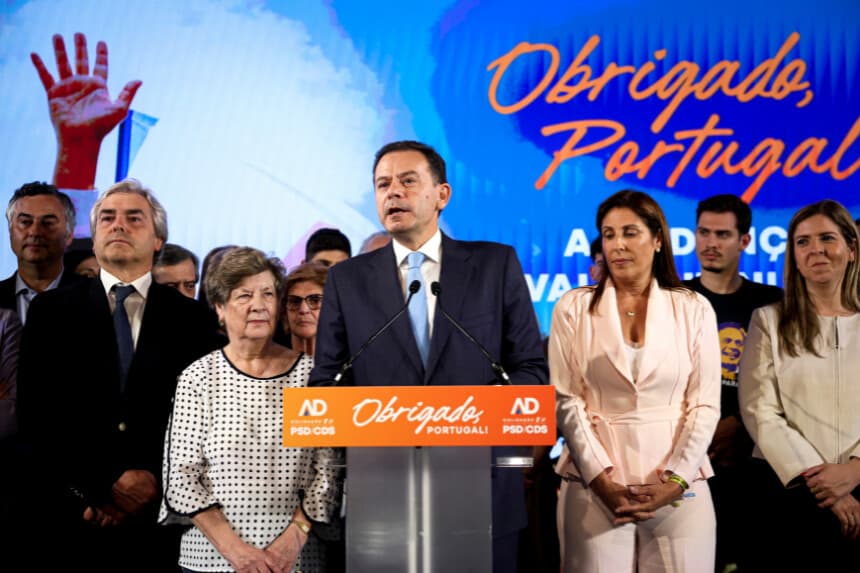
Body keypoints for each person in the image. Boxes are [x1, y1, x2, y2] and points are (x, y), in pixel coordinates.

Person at [311, 140, 547, 573]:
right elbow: (326, 383)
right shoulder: (347, 280)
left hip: (480, 483)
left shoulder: (494, 265)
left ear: (442, 195)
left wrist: (479, 424)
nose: (392, 192)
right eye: (383, 184)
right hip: (384, 492)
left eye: (407, 181)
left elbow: (530, 369)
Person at [16, 178, 219, 572]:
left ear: (159, 239)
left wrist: (152, 486)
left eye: (134, 218)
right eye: (107, 217)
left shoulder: (193, 320)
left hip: (160, 525)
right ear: (93, 239)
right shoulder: (50, 312)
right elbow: (37, 419)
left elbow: (202, 424)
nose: (118, 225)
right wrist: (99, 487)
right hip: (72, 519)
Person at [549, 189, 721, 572]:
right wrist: (599, 479)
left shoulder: (692, 308)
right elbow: (566, 401)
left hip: (679, 487)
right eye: (608, 235)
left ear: (658, 239)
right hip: (593, 488)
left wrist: (676, 479)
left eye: (630, 233)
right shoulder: (572, 307)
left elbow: (705, 403)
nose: (617, 245)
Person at [160, 247, 342, 573]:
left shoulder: (313, 377)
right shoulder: (198, 377)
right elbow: (182, 479)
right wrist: (239, 553)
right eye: (244, 295)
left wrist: (291, 542)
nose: (258, 305)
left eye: (268, 294)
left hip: (297, 559)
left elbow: (327, 473)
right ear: (219, 307)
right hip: (210, 560)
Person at [739, 199, 860, 570]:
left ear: (851, 249)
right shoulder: (768, 321)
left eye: (827, 238)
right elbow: (759, 410)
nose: (815, 250)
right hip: (790, 491)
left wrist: (855, 471)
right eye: (803, 242)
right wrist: (822, 482)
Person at [681, 194, 782, 572]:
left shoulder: (771, 303)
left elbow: (783, 381)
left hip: (757, 456)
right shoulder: (677, 298)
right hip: (690, 455)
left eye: (722, 234)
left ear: (744, 241)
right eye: (703, 232)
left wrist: (739, 423)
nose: (710, 243)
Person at [0, 181, 81, 322]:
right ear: (10, 231)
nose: (35, 232)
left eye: (48, 223)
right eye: (25, 222)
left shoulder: (98, 297)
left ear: (69, 234)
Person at [282, 262, 327, 356]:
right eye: (294, 301)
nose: (303, 310)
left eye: (315, 300)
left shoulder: (355, 362)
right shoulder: (267, 364)